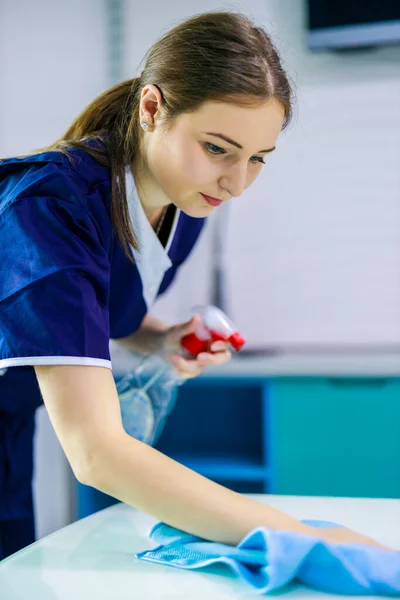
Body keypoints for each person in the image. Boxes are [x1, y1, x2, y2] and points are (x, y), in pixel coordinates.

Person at [0, 11, 390, 560]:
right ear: (153, 109)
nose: (235, 183)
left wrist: (162, 339)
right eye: (217, 148)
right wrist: (300, 537)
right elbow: (96, 454)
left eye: (257, 159)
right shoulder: (50, 209)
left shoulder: (184, 201)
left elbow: (95, 313)